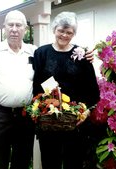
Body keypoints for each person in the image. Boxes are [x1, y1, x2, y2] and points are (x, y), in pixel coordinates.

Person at [0, 10, 95, 169]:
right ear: (4, 27)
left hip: (25, 116)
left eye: (19, 25)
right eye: (11, 25)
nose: (14, 29)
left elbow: (44, 79)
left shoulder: (34, 51)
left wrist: (61, 101)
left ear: (26, 28)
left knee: (22, 161)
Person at [32, 11, 100, 169]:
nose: (64, 35)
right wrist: (43, 108)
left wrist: (85, 112)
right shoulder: (41, 53)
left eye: (69, 32)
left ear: (74, 34)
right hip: (49, 122)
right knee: (50, 163)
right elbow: (36, 86)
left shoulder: (82, 54)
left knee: (74, 163)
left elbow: (93, 91)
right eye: (61, 30)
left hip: (76, 123)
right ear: (54, 29)